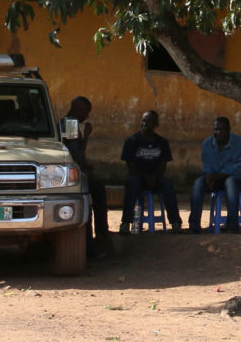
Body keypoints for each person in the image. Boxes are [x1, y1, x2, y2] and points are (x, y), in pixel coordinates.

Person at [60, 95, 111, 256]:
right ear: (78, 110)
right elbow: (77, 153)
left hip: (73, 171)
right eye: (86, 112)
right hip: (72, 173)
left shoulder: (68, 123)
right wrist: (87, 166)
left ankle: (100, 235)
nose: (87, 116)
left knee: (97, 191)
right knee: (89, 201)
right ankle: (97, 239)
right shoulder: (70, 124)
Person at [120, 110, 182, 232]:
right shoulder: (132, 141)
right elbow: (131, 166)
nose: (144, 123)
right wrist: (145, 177)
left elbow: (163, 165)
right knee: (132, 183)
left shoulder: (162, 143)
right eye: (143, 120)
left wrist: (154, 177)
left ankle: (175, 222)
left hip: (155, 178)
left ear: (155, 124)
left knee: (167, 183)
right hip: (138, 177)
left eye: (148, 121)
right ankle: (126, 222)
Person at [189, 116, 241, 233]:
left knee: (230, 182)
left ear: (228, 130)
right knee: (198, 184)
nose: (218, 132)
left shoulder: (240, 143)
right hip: (214, 178)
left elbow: (240, 167)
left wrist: (221, 175)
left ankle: (232, 225)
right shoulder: (207, 144)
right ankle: (194, 225)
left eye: (222, 130)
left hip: (237, 179)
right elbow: (207, 164)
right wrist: (208, 175)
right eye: (216, 129)